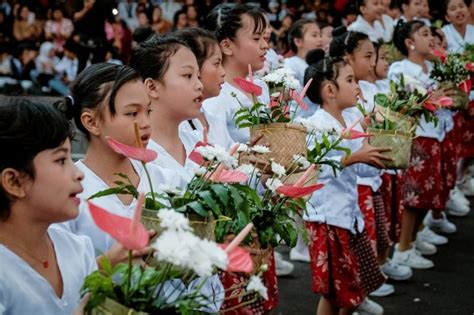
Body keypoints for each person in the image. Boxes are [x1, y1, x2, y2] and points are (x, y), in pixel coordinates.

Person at [57, 63, 182, 259]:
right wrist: (107, 264)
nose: (145, 123)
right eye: (132, 113)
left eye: (148, 111)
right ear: (91, 122)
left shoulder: (169, 182)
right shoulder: (70, 195)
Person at [303, 49, 389, 315]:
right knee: (333, 291)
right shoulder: (315, 125)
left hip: (348, 215)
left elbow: (363, 173)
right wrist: (354, 156)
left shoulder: (349, 119)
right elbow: (312, 170)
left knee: (352, 286)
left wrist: (370, 146)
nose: (357, 86)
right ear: (330, 90)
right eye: (350, 80)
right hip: (327, 219)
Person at [0, 98, 96, 314]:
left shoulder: (79, 250)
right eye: (61, 160)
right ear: (14, 182)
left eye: (72, 158)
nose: (79, 173)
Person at [388, 20, 451, 269]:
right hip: (417, 137)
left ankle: (411, 242)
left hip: (436, 135)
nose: (431, 39)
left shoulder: (431, 67)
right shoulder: (400, 68)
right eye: (424, 34)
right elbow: (414, 101)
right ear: (409, 43)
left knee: (428, 194)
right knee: (414, 196)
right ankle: (402, 248)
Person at [129, 34, 203, 181]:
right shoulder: (134, 158)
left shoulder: (198, 141)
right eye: (188, 75)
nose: (200, 85)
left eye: (198, 77)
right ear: (152, 87)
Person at [174, 28, 233, 149]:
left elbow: (232, 154)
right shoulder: (178, 125)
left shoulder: (213, 120)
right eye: (216, 63)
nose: (223, 72)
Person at [285, 19, 323, 85]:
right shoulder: (290, 64)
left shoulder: (323, 62)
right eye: (314, 35)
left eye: (320, 35)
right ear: (298, 41)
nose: (320, 39)